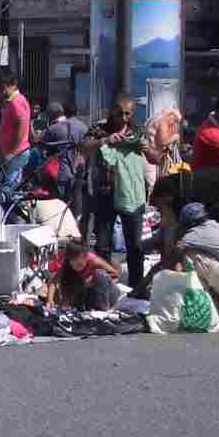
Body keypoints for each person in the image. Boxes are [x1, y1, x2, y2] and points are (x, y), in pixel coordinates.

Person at [82, 94, 150, 292]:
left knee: (134, 245)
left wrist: (147, 148)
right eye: (120, 112)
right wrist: (105, 140)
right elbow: (83, 147)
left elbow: (154, 156)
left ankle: (137, 287)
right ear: (112, 111)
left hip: (131, 194)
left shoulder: (137, 131)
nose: (124, 117)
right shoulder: (99, 129)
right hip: (105, 193)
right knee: (103, 243)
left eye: (128, 113)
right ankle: (105, 287)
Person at [54, 237, 122, 311]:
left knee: (100, 274)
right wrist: (50, 300)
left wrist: (92, 278)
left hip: (106, 294)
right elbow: (53, 281)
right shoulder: (67, 264)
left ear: (86, 257)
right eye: (72, 263)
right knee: (70, 278)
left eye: (79, 264)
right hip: (87, 294)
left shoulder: (94, 261)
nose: (75, 267)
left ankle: (102, 308)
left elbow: (115, 274)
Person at [0, 70, 33, 190]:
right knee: (8, 186)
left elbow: (22, 124)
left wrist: (13, 152)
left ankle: (8, 209)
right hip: (13, 153)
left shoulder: (16, 102)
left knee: (9, 189)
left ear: (3, 87)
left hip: (16, 153)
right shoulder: (10, 102)